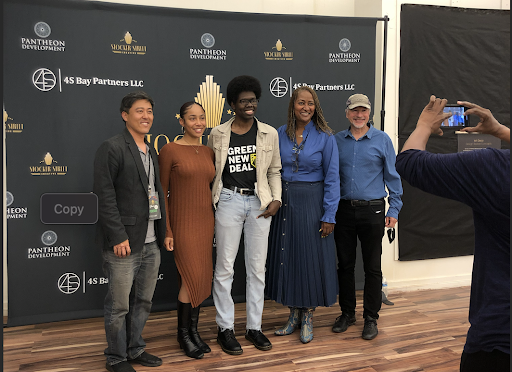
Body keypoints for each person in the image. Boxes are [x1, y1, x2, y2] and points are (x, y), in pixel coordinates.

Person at [395, 96, 510, 372]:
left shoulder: (495, 169)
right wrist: (501, 131)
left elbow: (410, 163)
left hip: (498, 340)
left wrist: (423, 126)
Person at [207, 75, 282, 355]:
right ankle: (225, 328)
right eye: (243, 101)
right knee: (225, 267)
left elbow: (274, 170)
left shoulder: (269, 133)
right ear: (232, 104)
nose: (250, 105)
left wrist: (276, 199)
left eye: (253, 100)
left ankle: (254, 327)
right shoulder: (218, 133)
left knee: (256, 269)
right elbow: (212, 173)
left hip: (259, 204)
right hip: (228, 200)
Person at [94, 91, 165, 372]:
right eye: (139, 111)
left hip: (151, 241)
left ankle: (135, 349)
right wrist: (118, 236)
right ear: (125, 115)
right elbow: (104, 195)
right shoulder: (111, 148)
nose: (146, 116)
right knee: (119, 305)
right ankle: (116, 357)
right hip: (124, 242)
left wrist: (163, 232)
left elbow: (156, 195)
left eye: (149, 111)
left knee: (143, 301)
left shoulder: (151, 150)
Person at [265, 86, 340, 344]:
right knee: (289, 257)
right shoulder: (279, 134)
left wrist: (329, 214)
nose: (305, 107)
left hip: (312, 202)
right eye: (300, 103)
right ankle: (293, 316)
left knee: (309, 258)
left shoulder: (325, 137)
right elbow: (272, 169)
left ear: (315, 106)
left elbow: (332, 178)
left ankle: (308, 316)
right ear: (292, 106)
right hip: (284, 203)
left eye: (310, 103)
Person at [332, 93, 403, 340]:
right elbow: (330, 179)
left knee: (372, 267)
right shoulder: (336, 141)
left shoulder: (382, 140)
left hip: (373, 210)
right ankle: (347, 313)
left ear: (369, 113)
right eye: (354, 111)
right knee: (345, 265)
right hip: (343, 210)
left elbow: (393, 178)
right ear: (347, 113)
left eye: (363, 111)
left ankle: (371, 317)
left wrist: (394, 209)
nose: (359, 115)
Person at [158, 102, 215, 359]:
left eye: (201, 118)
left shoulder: (208, 151)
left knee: (201, 278)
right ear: (181, 121)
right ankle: (183, 335)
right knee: (190, 278)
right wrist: (167, 230)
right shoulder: (169, 150)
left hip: (205, 223)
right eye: (192, 118)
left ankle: (194, 331)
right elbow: (160, 195)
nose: (198, 123)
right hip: (182, 225)